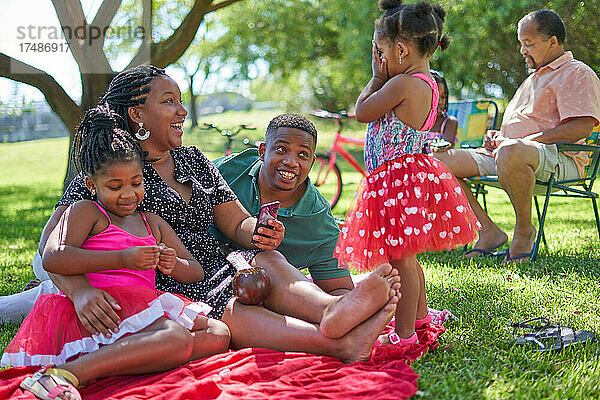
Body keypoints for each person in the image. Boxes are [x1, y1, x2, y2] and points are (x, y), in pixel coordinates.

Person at [12, 65, 399, 365]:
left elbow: (235, 222)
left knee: (266, 258)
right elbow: (52, 248)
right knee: (229, 307)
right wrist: (80, 291)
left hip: (216, 266)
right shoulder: (111, 175)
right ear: (137, 115)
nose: (182, 111)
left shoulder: (193, 161)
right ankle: (340, 342)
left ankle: (330, 310)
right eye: (169, 102)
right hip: (164, 283)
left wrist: (259, 230)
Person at [1, 108, 229, 399]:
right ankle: (65, 374)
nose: (128, 194)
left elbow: (194, 271)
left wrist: (171, 264)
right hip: (102, 309)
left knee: (218, 334)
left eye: (136, 183)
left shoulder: (152, 222)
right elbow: (54, 257)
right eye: (114, 186)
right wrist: (122, 259)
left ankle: (121, 359)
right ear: (92, 185)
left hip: (143, 305)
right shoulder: (87, 212)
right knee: (176, 338)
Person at [334, 0, 480, 346]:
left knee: (401, 262)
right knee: (407, 259)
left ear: (400, 49)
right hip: (403, 177)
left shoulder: (401, 84)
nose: (380, 59)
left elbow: (363, 112)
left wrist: (374, 76)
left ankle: (404, 336)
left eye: (380, 52)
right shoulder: (425, 81)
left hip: (396, 180)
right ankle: (421, 317)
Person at [434, 9, 600, 262]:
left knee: (511, 151)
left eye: (529, 44)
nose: (523, 50)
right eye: (521, 44)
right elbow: (520, 128)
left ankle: (524, 232)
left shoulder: (576, 73)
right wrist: (497, 135)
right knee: (436, 163)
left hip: (560, 159)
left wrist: (519, 143)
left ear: (552, 42)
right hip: (509, 154)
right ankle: (487, 232)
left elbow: (582, 127)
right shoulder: (532, 78)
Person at [212, 113, 354, 295]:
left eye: (303, 154)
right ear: (262, 151)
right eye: (281, 149)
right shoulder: (227, 170)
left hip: (264, 296)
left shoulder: (318, 220)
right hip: (199, 272)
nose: (290, 162)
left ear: (312, 163)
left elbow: (340, 289)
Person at [424, 70, 458, 153]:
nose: (440, 102)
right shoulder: (416, 121)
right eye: (436, 96)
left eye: (443, 97)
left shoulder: (449, 122)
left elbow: (446, 152)